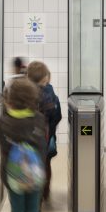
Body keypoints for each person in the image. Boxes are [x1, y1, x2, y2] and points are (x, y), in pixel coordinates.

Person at [0, 77, 47, 212]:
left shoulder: (2, 123)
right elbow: (43, 146)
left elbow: (1, 145)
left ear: (9, 100)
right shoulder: (39, 119)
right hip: (35, 175)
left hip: (13, 176)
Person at [26, 60, 61, 204]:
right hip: (47, 139)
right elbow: (57, 116)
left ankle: (35, 199)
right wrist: (50, 133)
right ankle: (45, 192)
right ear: (45, 77)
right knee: (46, 165)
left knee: (31, 167)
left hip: (30, 140)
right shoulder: (51, 94)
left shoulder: (26, 94)